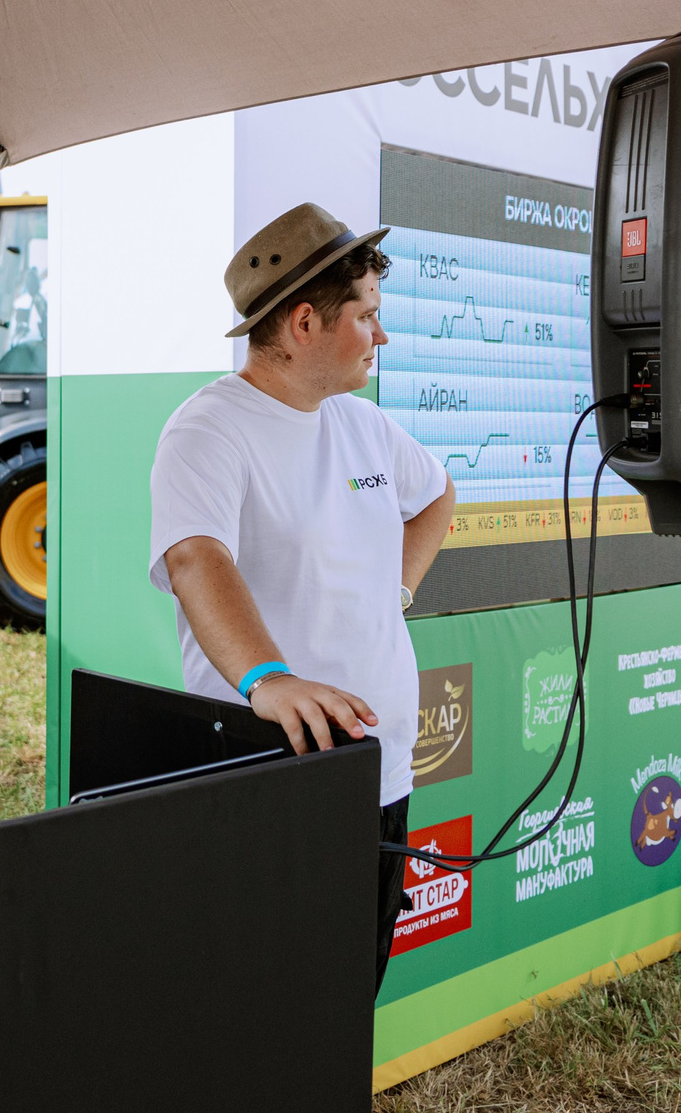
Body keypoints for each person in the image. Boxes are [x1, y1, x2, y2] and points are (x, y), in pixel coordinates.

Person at [148, 203, 456, 991]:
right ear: (306, 322)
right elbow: (195, 557)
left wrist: (396, 590)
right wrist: (268, 678)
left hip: (377, 773)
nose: (381, 337)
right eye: (368, 317)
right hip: (265, 777)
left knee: (352, 989)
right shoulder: (209, 429)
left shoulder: (364, 426)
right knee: (260, 996)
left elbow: (437, 496)